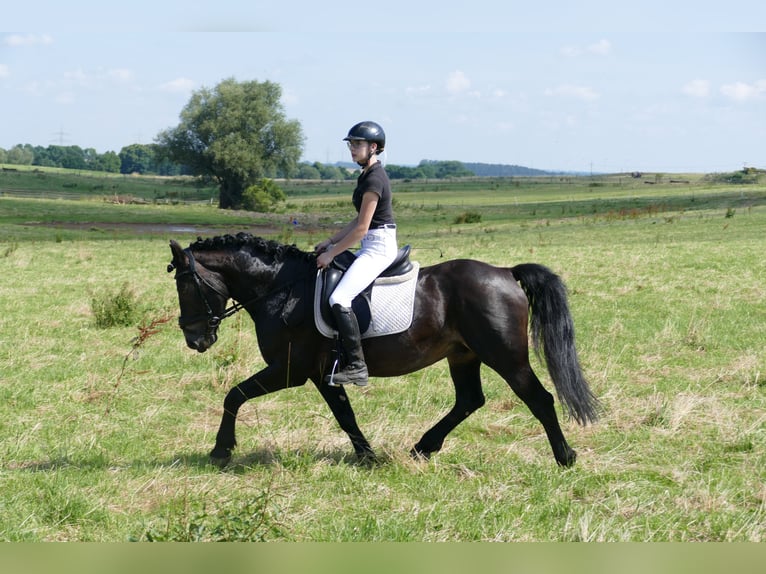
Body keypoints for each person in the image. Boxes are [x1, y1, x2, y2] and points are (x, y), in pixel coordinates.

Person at [315, 121, 397, 386]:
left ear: (373, 147)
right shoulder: (366, 175)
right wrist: (330, 241)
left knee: (339, 298)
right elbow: (357, 220)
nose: (352, 148)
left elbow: (362, 229)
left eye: (357, 144)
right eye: (350, 143)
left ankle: (357, 367)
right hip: (370, 243)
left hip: (378, 247)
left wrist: (331, 254)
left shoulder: (374, 178)